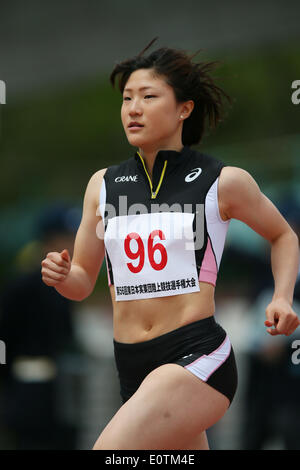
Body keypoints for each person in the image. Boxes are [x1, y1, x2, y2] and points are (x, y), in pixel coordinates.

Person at [41, 39, 300, 450]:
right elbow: (82, 282)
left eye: (148, 96)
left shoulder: (223, 180)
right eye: (127, 98)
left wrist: (282, 297)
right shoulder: (102, 185)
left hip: (196, 357)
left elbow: (283, 234)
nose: (133, 108)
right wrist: (60, 275)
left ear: (184, 108)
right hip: (130, 367)